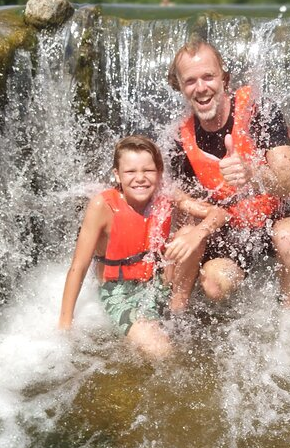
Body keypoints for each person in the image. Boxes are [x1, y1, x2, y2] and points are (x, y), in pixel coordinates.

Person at [165, 37, 290, 311]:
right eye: (190, 81)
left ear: (225, 79)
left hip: (273, 220)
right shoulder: (180, 138)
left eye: (208, 77)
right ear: (181, 88)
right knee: (214, 283)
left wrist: (253, 174)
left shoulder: (261, 112)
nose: (201, 88)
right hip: (228, 234)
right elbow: (175, 198)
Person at [58, 135, 228, 358]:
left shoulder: (165, 193)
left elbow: (219, 213)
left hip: (157, 280)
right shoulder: (103, 206)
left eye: (148, 171)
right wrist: (64, 325)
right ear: (117, 174)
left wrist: (197, 233)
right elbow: (78, 267)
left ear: (159, 173)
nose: (140, 178)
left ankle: (178, 307)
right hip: (119, 290)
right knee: (160, 350)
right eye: (130, 172)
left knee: (188, 233)